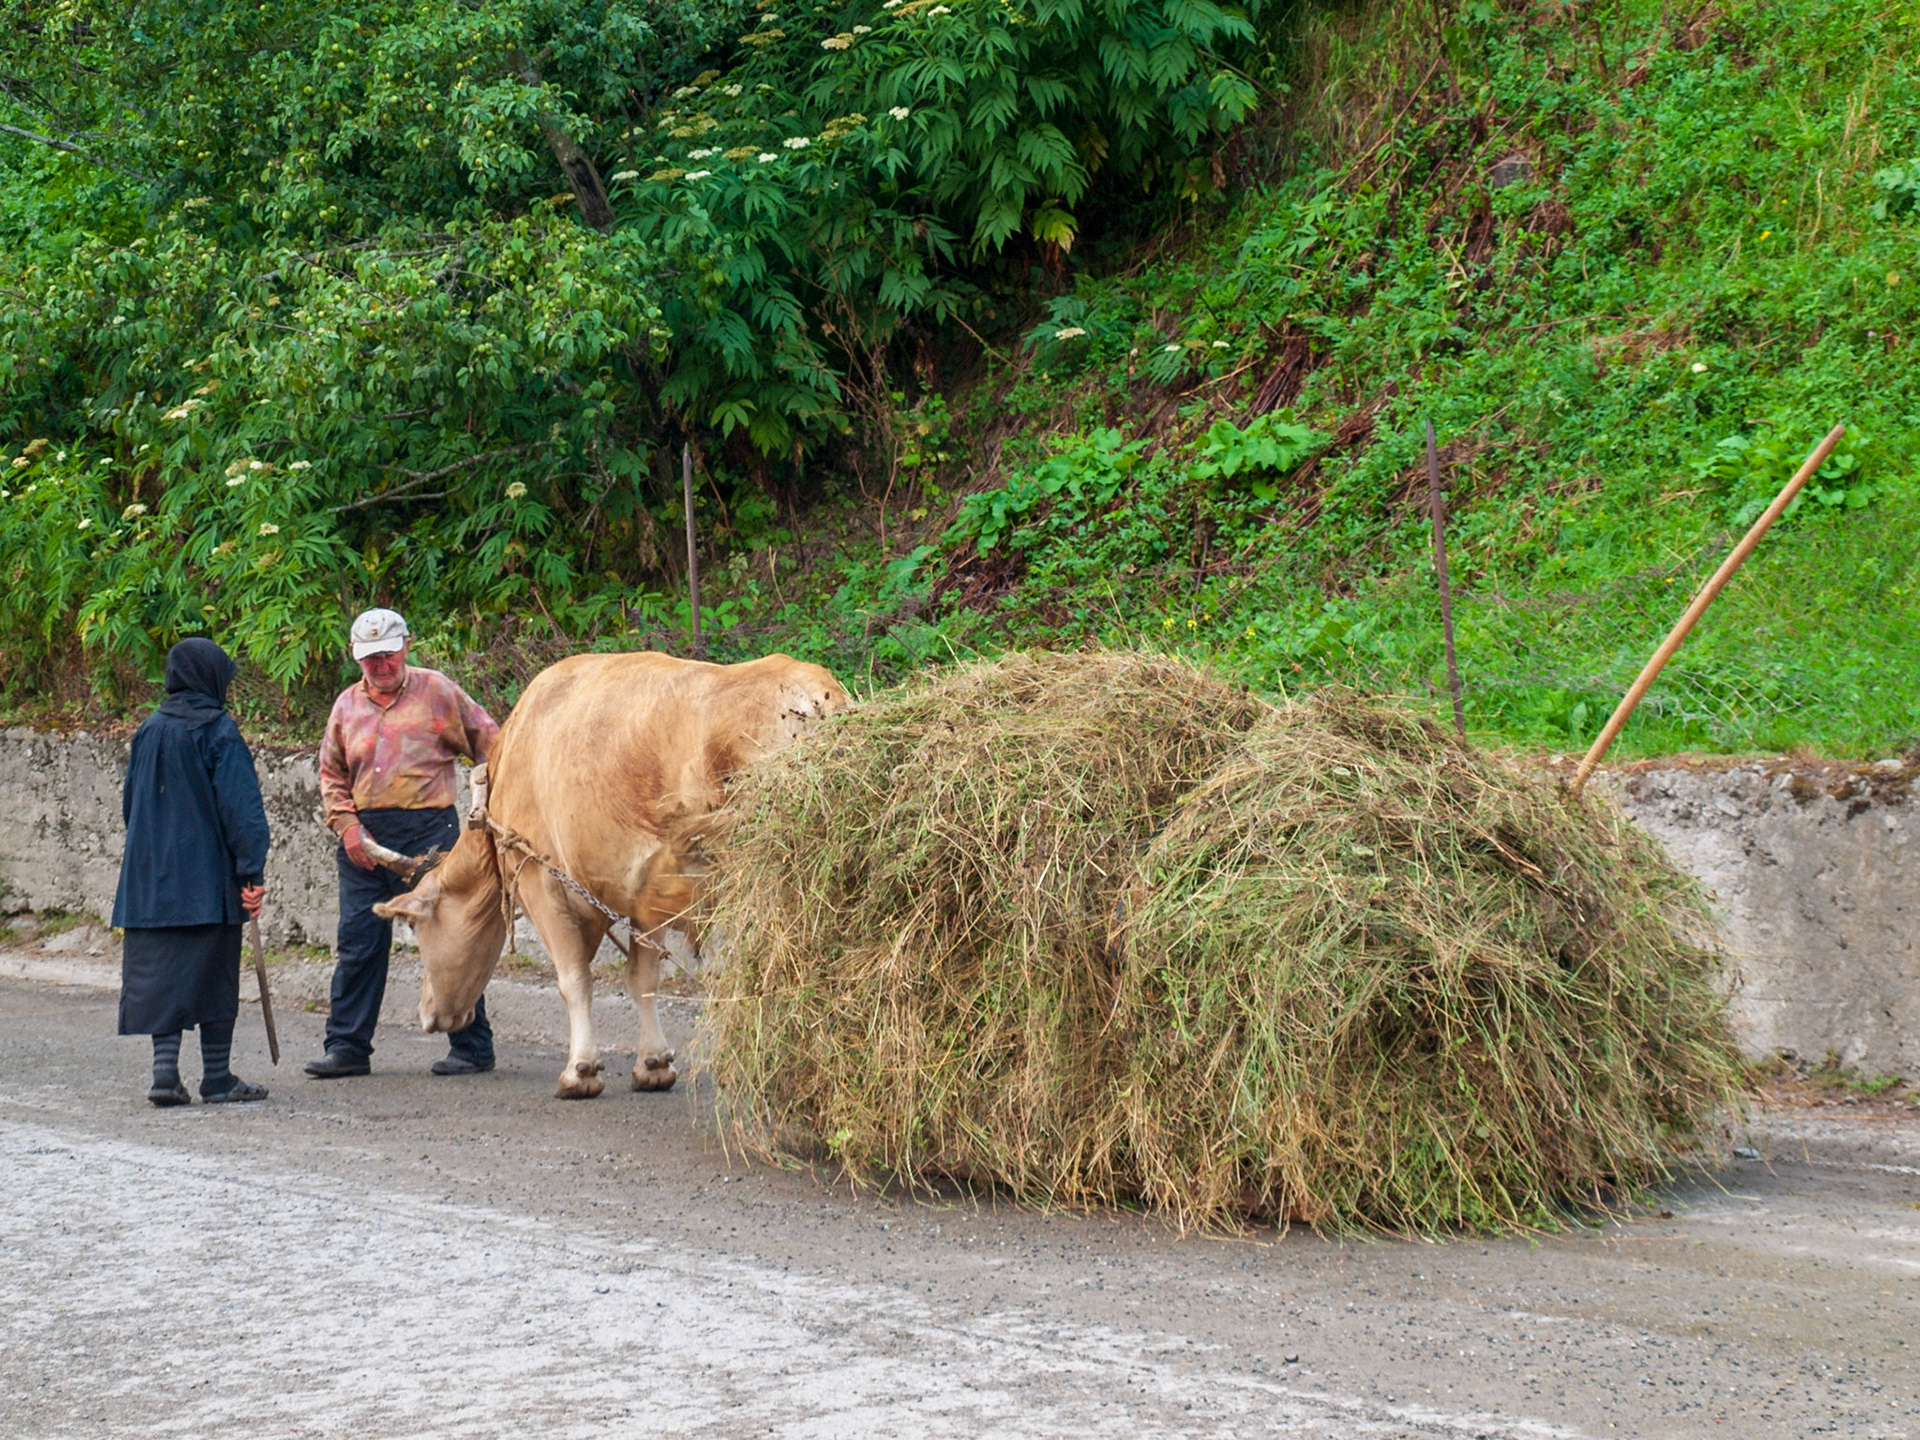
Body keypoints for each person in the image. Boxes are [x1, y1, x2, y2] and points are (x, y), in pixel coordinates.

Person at [307, 607, 500, 1079]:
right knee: (358, 941)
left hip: (430, 835)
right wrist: (348, 827)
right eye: (371, 658)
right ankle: (348, 1048)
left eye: (389, 655)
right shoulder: (345, 706)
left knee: (449, 939)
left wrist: (487, 803)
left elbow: (492, 744)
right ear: (356, 657)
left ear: (406, 647)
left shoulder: (438, 691)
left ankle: (472, 1046)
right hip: (364, 840)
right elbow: (331, 774)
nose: (381, 666)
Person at [114, 638, 272, 1107]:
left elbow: (130, 807)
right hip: (207, 881)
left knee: (162, 975)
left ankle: (165, 1072)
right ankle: (217, 1078)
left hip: (148, 884)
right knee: (214, 974)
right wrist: (251, 871)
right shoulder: (217, 731)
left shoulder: (148, 731)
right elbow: (241, 810)